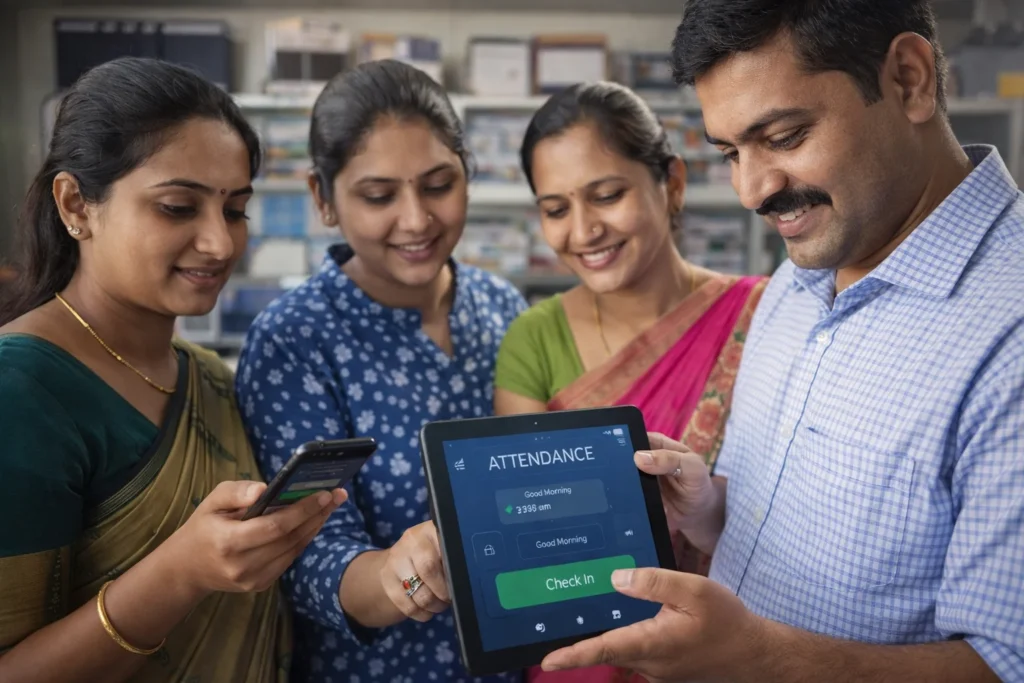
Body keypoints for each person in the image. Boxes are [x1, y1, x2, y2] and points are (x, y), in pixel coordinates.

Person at [535, 1, 1024, 682]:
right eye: (732, 152)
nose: (752, 189)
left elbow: (1007, 664)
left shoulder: (1011, 331)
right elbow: (790, 523)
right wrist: (712, 508)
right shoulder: (796, 281)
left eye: (786, 136)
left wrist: (762, 660)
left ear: (909, 80)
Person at [0, 57, 346, 683]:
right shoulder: (21, 388)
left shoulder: (210, 374)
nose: (219, 243)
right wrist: (180, 572)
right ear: (76, 203)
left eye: (235, 209)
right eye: (178, 207)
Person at [235, 59, 527, 683]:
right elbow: (305, 554)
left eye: (438, 184)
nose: (416, 219)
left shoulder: (502, 305)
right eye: (378, 195)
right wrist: (400, 572)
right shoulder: (295, 338)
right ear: (324, 199)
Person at [492, 81, 765, 683]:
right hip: (578, 649)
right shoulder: (532, 339)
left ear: (671, 183)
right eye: (556, 209)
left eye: (607, 195)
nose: (584, 230)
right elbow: (528, 525)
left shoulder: (761, 317)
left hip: (736, 648)